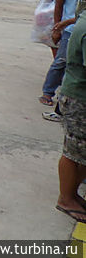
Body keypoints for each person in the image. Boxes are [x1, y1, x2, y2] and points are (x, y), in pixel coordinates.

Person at [41, 0, 86, 117]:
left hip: (78, 29)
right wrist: (58, 28)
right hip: (70, 32)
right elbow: (59, 7)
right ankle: (49, 92)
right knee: (62, 62)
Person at [55, 12, 86, 222]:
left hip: (78, 95)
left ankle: (72, 194)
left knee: (81, 152)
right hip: (79, 98)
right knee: (73, 151)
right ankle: (66, 198)